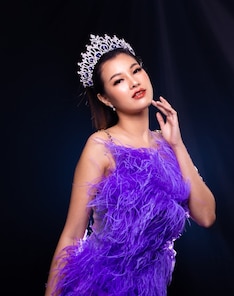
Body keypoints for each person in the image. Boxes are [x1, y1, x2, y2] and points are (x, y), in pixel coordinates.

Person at [45, 34, 217, 296]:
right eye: (119, 81)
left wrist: (178, 145)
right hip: (99, 285)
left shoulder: (167, 144)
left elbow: (206, 216)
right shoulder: (101, 146)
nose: (134, 81)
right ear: (105, 98)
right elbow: (72, 236)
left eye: (135, 70)